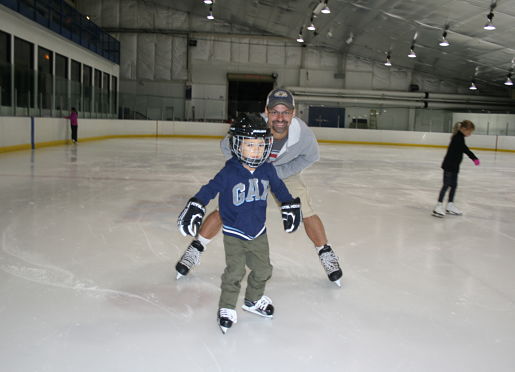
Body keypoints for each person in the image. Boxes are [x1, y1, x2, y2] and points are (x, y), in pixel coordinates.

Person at [176, 88, 343, 286]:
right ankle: (196, 247)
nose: (280, 117)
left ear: (293, 113)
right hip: (249, 170)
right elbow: (226, 145)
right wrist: (243, 169)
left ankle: (325, 251)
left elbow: (311, 156)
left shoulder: (303, 134)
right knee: (226, 210)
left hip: (284, 174)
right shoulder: (253, 125)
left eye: (285, 112)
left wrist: (280, 173)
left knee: (304, 210)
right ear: (267, 111)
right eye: (275, 112)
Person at [176, 113, 302, 334]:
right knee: (234, 273)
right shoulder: (230, 171)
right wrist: (197, 203)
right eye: (250, 144)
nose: (256, 149)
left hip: (259, 232)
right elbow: (210, 188)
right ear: (237, 145)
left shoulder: (267, 169)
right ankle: (226, 307)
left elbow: (279, 188)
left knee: (264, 270)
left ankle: (253, 300)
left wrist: (289, 203)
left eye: (260, 144)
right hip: (234, 233)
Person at [432, 120, 480, 217]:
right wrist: (473, 157)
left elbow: (464, 149)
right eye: (469, 131)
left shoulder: (460, 137)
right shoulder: (457, 138)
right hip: (449, 166)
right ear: (463, 129)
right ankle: (439, 205)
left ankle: (450, 205)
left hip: (454, 167)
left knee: (453, 186)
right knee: (446, 185)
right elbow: (465, 149)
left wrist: (473, 157)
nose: (470, 134)